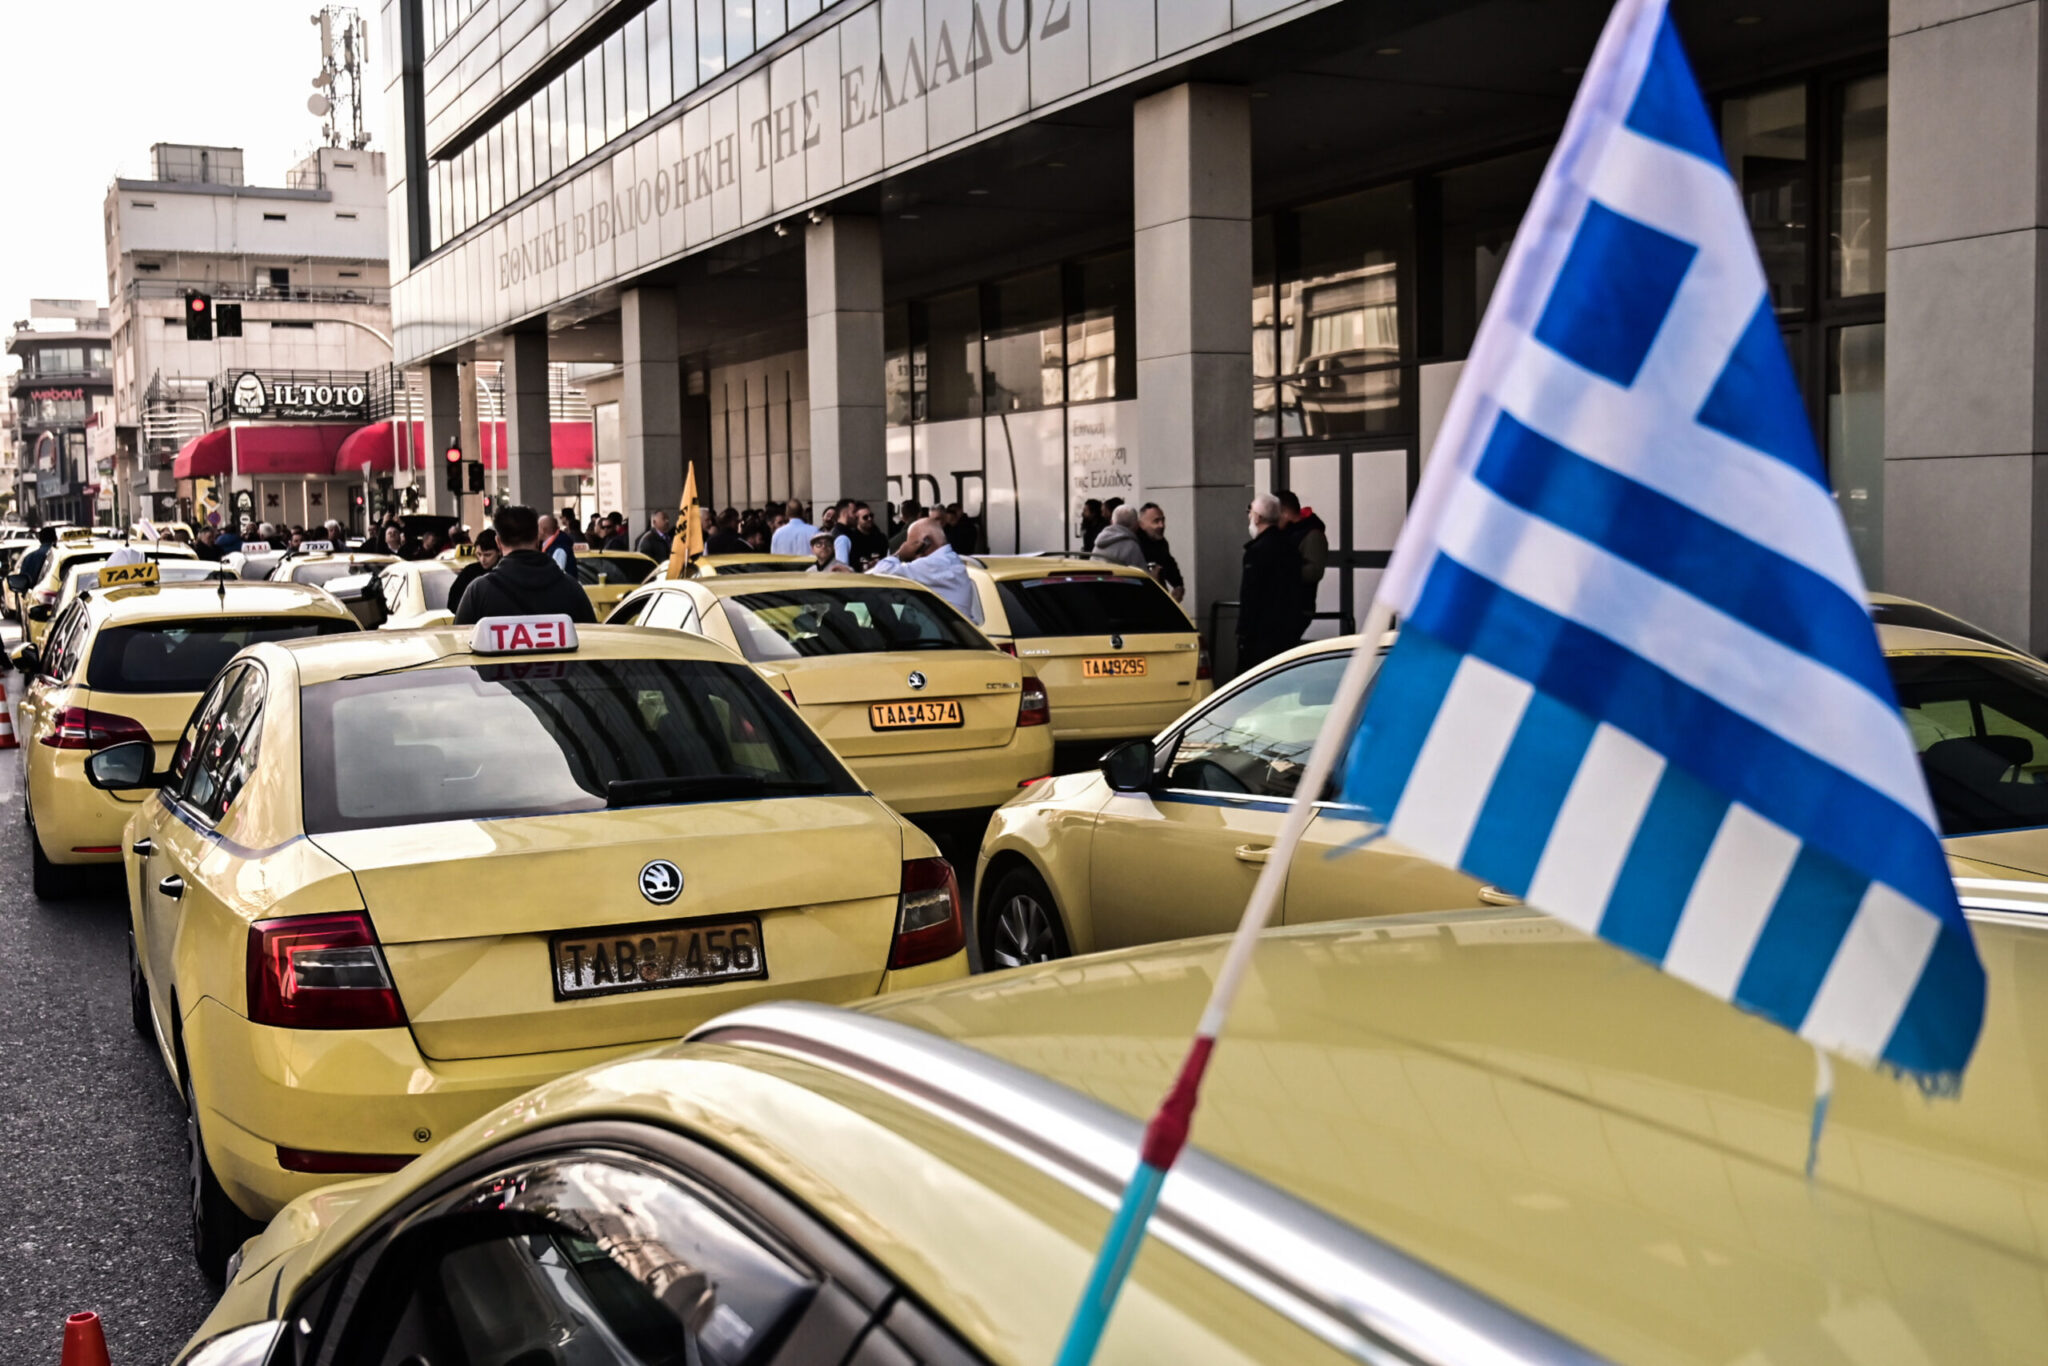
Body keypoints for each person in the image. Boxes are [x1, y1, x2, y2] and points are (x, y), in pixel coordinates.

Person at [453, 505, 596, 625]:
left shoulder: (479, 592)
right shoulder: (571, 588)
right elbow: (592, 639)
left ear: (498, 543)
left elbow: (460, 641)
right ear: (537, 539)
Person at [863, 516, 984, 623]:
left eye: (911, 543)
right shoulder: (950, 560)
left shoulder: (933, 564)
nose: (910, 550)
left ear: (926, 542)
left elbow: (879, 572)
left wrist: (899, 554)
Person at [1237, 493, 1304, 673]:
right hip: (1286, 631)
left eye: (1250, 512)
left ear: (1258, 517)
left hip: (1260, 635)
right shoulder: (1291, 548)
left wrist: (1243, 634)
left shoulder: (1256, 552)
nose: (1249, 517)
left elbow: (1250, 597)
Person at [1276, 489, 1329, 629]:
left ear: (1285, 513)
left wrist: (1280, 570)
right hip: (1283, 605)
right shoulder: (1286, 533)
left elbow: (1314, 572)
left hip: (1298, 606)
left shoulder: (1312, 535)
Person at [1135, 502, 1184, 602]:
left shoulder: (1161, 543)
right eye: (1156, 521)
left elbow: (1169, 564)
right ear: (1142, 524)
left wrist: (1178, 586)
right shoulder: (1134, 545)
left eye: (1163, 520)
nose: (1162, 525)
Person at [447, 528, 500, 618]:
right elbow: (453, 602)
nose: (482, 559)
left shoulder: (505, 571)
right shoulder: (469, 572)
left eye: (487, 555)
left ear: (499, 552)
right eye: (479, 554)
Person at [1090, 504, 1149, 571]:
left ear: (1111, 522)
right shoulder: (1132, 547)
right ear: (1136, 525)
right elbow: (1142, 574)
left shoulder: (1098, 544)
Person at [844, 502, 889, 567]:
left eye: (871, 515)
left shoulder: (880, 537)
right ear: (857, 520)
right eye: (865, 517)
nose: (869, 519)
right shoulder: (851, 539)